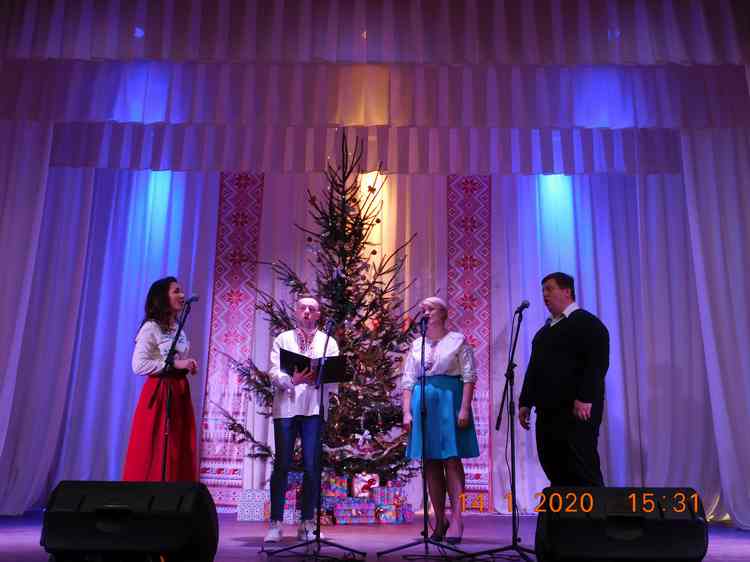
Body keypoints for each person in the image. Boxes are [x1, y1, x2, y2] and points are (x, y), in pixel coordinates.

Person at [519, 272, 609, 486]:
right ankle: (565, 509)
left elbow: (597, 364)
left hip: (576, 411)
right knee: (554, 464)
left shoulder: (587, 323)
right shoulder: (543, 333)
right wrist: (525, 402)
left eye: (549, 289)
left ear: (567, 292)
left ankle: (594, 509)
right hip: (548, 412)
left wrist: (585, 397)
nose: (545, 295)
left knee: (581, 465)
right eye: (543, 290)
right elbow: (534, 369)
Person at [401, 296, 479, 545]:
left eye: (430, 309)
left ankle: (457, 518)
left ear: (443, 313)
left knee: (451, 460)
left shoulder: (457, 340)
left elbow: (469, 375)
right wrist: (406, 411)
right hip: (423, 402)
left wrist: (464, 408)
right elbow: (408, 379)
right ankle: (439, 518)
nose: (425, 312)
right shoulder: (417, 344)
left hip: (449, 401)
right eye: (422, 309)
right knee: (431, 462)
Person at [264, 296, 339, 543]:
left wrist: (319, 377)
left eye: (312, 308)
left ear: (319, 314)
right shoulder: (283, 339)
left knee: (311, 466)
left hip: (314, 408)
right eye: (302, 308)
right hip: (287, 407)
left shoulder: (328, 342)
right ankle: (275, 523)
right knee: (282, 465)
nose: (307, 311)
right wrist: (291, 380)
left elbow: (335, 377)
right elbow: (274, 370)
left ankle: (307, 523)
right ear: (296, 312)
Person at [123, 276, 199, 482]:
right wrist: (174, 365)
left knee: (177, 445)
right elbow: (138, 365)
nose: (182, 295)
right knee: (157, 445)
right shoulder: (151, 327)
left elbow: (176, 358)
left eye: (181, 290)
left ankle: (175, 492)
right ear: (162, 297)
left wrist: (186, 364)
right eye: (176, 291)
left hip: (179, 391)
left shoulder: (177, 328)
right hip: (160, 392)